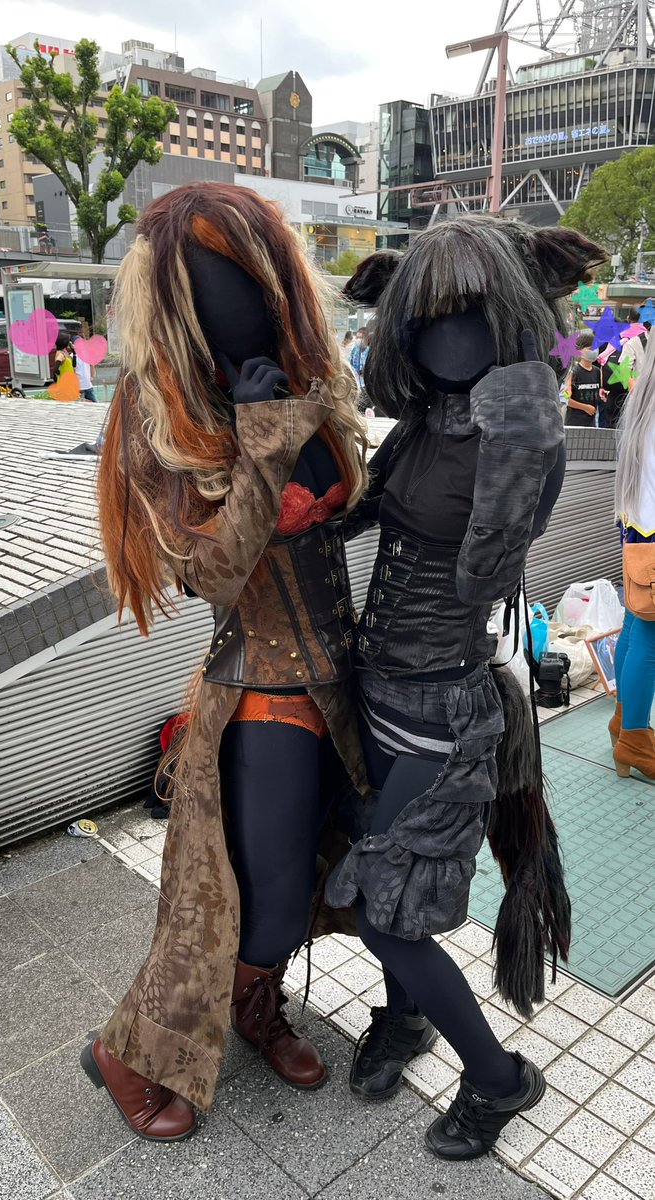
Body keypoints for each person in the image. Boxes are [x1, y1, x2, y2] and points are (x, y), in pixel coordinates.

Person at [86, 181, 369, 1141]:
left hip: (341, 678)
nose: (241, 301)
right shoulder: (158, 411)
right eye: (216, 283)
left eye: (252, 276)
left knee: (314, 870)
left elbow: (340, 511)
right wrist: (259, 450)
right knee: (239, 901)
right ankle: (123, 1051)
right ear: (175, 298)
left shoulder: (300, 374)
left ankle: (254, 1008)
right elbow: (209, 573)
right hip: (261, 689)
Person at [327, 217, 607, 1163]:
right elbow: (348, 520)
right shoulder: (422, 426)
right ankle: (404, 1019)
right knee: (383, 889)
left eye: (474, 317)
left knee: (386, 916)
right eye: (430, 319)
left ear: (516, 317)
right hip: (375, 690)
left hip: (442, 709)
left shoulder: (520, 433)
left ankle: (498, 1078)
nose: (449, 341)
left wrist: (525, 403)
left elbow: (486, 568)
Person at [610, 331, 655, 779]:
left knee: (634, 624)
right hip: (652, 535)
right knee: (649, 636)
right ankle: (635, 739)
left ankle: (625, 723)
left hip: (636, 532)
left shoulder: (641, 406)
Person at [565, 330, 602, 427]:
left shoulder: (597, 371)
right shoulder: (573, 371)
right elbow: (565, 398)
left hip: (591, 424)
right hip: (574, 424)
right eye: (590, 348)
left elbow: (597, 393)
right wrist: (584, 407)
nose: (594, 351)